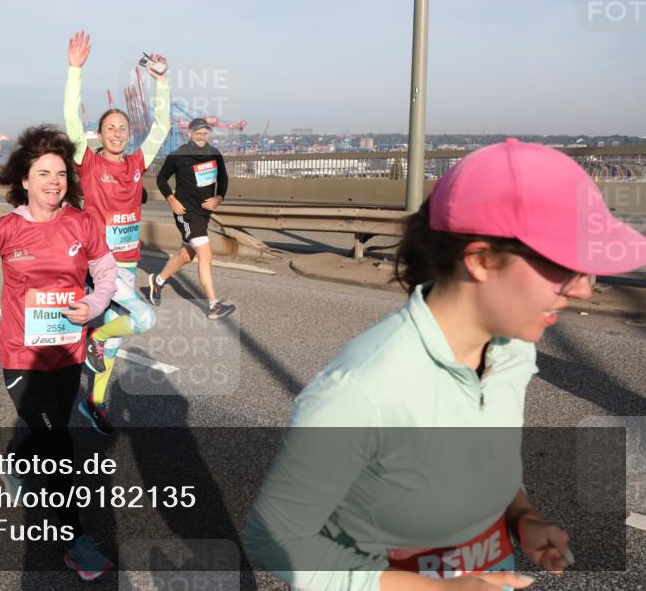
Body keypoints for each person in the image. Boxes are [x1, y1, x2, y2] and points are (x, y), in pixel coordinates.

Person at [244, 139, 646, 591]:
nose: (584, 289)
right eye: (563, 264)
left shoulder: (513, 349)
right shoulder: (359, 391)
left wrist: (521, 517)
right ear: (480, 260)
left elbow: (478, 463)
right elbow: (275, 540)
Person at [0, 125, 117, 581]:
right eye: (43, 172)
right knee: (59, 443)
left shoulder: (83, 223)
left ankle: (15, 463)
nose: (54, 181)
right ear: (23, 180)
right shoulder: (5, 229)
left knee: (53, 427)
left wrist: (91, 305)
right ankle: (74, 542)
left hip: (67, 353)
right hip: (20, 356)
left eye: (61, 173)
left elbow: (106, 275)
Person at [63, 30, 170, 434]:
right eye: (110, 127)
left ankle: (95, 403)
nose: (117, 132)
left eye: (122, 128)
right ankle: (90, 340)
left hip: (130, 263)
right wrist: (75, 70)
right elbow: (72, 120)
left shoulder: (137, 162)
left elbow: (161, 126)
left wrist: (162, 82)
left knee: (113, 344)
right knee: (143, 318)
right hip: (100, 264)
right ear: (100, 133)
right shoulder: (88, 163)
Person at [147, 117, 234, 319]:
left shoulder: (214, 154)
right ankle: (213, 305)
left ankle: (157, 281)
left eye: (205, 132)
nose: (202, 136)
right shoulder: (178, 156)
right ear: (189, 133)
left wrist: (219, 198)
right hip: (185, 213)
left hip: (204, 214)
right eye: (198, 132)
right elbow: (161, 179)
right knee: (205, 254)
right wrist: (171, 199)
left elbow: (223, 178)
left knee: (187, 255)